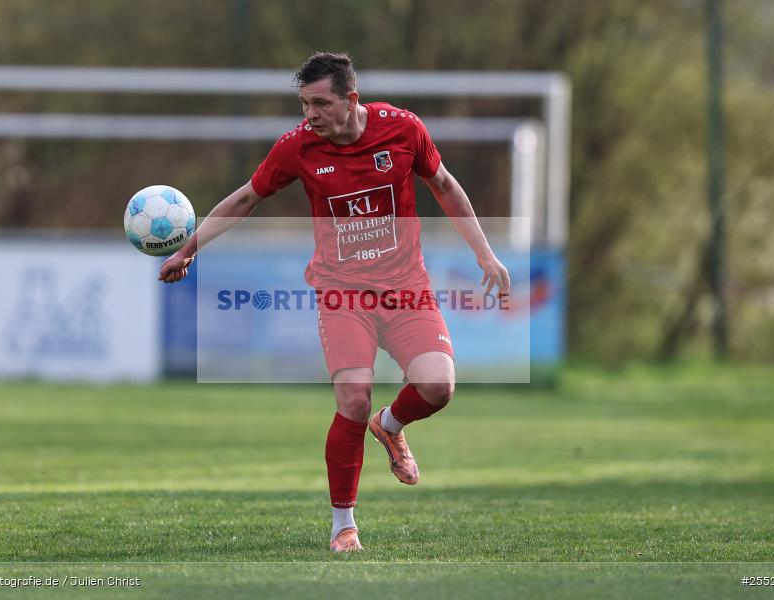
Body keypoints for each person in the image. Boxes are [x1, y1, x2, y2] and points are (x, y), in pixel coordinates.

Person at [159, 52, 510, 552]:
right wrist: (191, 247)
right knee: (352, 397)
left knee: (438, 386)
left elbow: (446, 186)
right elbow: (244, 199)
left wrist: (487, 257)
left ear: (351, 98)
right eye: (304, 103)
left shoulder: (403, 130)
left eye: (320, 103)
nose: (310, 114)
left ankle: (389, 427)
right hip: (342, 294)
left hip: (406, 288)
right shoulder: (298, 147)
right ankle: (343, 525)